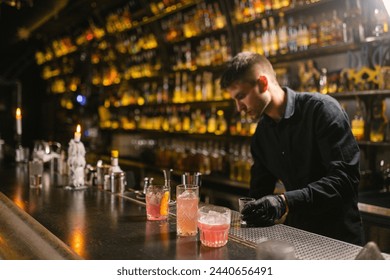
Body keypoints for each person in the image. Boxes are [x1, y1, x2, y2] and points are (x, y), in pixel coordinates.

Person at [220, 52, 364, 246]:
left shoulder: (322, 110)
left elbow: (345, 180)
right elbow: (258, 193)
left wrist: (284, 201)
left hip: (339, 241)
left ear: (263, 83)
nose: (239, 108)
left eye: (241, 97)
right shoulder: (262, 135)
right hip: (296, 239)